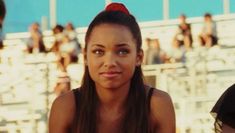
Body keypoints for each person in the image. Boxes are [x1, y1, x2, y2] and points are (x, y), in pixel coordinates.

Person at [49, 3, 175, 133]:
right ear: (85, 56)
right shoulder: (65, 107)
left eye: (122, 51)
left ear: (139, 57)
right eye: (98, 51)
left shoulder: (158, 105)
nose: (109, 62)